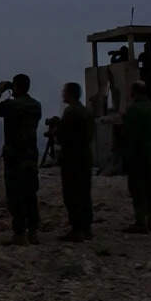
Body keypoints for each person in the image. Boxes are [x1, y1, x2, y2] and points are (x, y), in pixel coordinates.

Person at [0, 74, 43, 245]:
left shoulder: (12, 105)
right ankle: (33, 232)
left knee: (15, 195)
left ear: (15, 87)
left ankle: (20, 234)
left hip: (15, 156)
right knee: (31, 194)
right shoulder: (35, 105)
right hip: (31, 155)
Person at [56, 82, 94, 241]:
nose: (62, 95)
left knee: (72, 193)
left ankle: (77, 229)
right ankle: (86, 228)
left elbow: (63, 136)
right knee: (84, 193)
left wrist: (56, 129)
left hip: (72, 158)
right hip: (85, 156)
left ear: (70, 94)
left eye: (64, 92)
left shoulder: (70, 112)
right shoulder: (85, 111)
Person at [122, 80, 151, 233]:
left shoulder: (134, 109)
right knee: (150, 185)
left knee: (137, 187)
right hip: (150, 152)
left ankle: (140, 221)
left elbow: (129, 134)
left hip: (137, 153)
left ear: (134, 92)